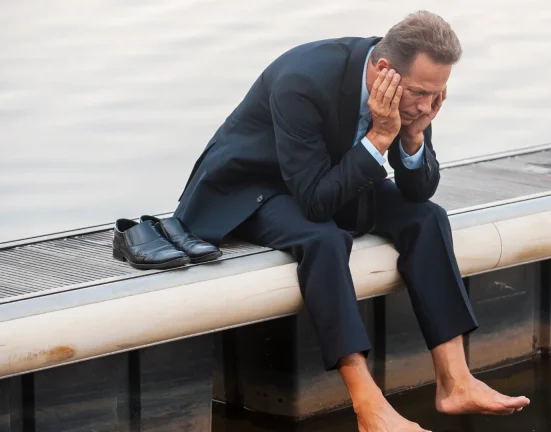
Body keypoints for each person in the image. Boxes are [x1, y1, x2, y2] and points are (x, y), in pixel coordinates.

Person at [176, 10, 530, 431]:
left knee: (427, 217)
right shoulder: (303, 79)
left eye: (436, 95)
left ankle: (455, 383)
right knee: (323, 239)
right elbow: (315, 205)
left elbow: (418, 192)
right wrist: (381, 136)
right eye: (418, 93)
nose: (424, 104)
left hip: (327, 176)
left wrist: (413, 135)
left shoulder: (414, 92)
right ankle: (369, 407)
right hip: (253, 188)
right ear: (384, 71)